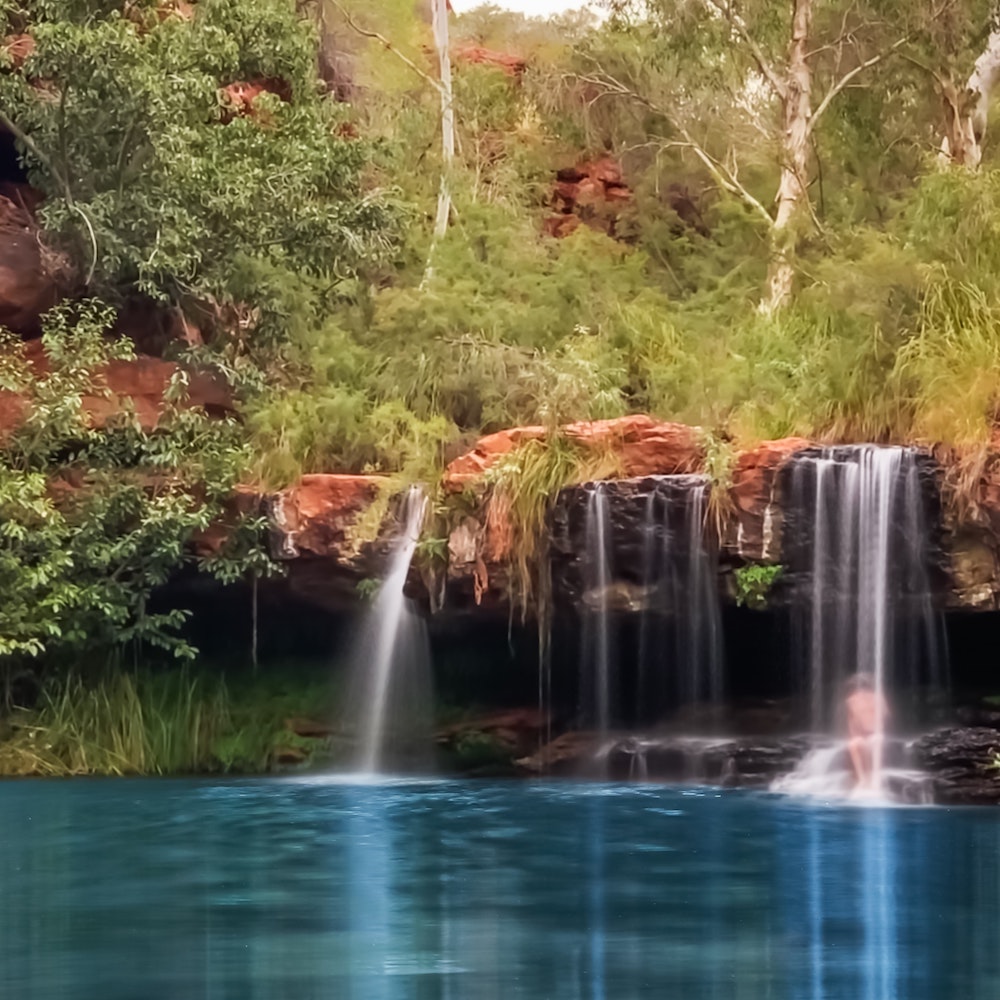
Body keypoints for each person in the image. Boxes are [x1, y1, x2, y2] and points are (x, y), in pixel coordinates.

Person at [844, 673, 889, 790]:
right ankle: (862, 778)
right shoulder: (851, 701)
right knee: (853, 744)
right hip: (862, 735)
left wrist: (878, 727)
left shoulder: (878, 698)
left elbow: (884, 715)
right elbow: (852, 722)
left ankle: (875, 776)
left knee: (876, 741)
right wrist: (855, 736)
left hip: (876, 733)